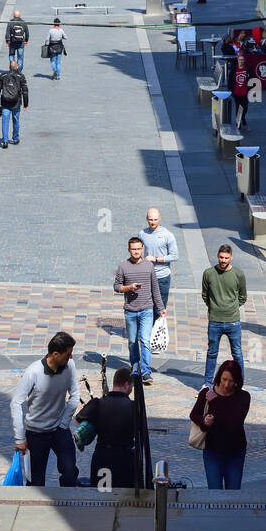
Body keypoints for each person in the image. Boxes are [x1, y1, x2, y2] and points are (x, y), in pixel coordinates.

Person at [11, 332, 79, 486]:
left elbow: (75, 395)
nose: (71, 357)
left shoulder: (70, 366)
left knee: (69, 473)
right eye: (68, 354)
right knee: (36, 482)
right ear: (55, 354)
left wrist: (64, 423)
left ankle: (68, 505)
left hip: (59, 430)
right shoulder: (33, 372)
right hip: (36, 434)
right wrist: (20, 438)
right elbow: (16, 403)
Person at [190, 359, 251, 490]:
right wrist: (204, 422)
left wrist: (215, 401)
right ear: (219, 377)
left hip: (235, 452)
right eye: (224, 379)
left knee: (233, 493)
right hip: (213, 451)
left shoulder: (243, 397)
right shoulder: (206, 393)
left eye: (231, 381)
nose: (226, 384)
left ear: (237, 381)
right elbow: (194, 414)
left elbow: (234, 423)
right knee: (215, 493)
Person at [113, 237, 164, 386]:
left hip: (146, 310)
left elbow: (155, 288)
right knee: (132, 341)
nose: (136, 251)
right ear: (129, 250)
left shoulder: (149, 266)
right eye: (133, 249)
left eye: (138, 249)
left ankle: (146, 371)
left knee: (145, 340)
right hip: (130, 310)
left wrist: (161, 308)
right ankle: (135, 366)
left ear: (142, 249)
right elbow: (116, 286)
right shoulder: (123, 266)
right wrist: (129, 288)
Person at [75, 367, 136, 490]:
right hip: (126, 458)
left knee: (101, 496)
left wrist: (92, 429)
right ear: (126, 384)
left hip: (102, 457)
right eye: (132, 386)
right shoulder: (133, 406)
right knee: (125, 497)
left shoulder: (98, 403)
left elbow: (78, 420)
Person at [201, 244, 247, 386]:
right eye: (221, 257)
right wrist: (215, 307)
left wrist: (231, 308)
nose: (223, 260)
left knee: (237, 354)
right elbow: (205, 295)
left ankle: (239, 384)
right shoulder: (208, 273)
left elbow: (243, 296)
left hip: (233, 321)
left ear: (231, 257)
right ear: (217, 256)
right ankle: (208, 383)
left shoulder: (238, 274)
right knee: (211, 353)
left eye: (226, 258)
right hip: (214, 321)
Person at [141, 206, 178, 309]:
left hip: (162, 276)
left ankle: (159, 324)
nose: (153, 222)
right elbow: (138, 251)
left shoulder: (167, 235)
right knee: (147, 306)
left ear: (159, 219)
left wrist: (157, 259)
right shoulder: (142, 234)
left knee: (160, 307)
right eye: (150, 219)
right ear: (147, 219)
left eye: (155, 220)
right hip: (147, 275)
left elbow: (175, 256)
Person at [0, 59, 28, 148]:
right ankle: (15, 138)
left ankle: (5, 141)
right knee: (16, 120)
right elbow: (25, 91)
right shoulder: (21, 76)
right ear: (17, 67)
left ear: (9, 67)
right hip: (16, 102)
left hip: (5, 102)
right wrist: (26, 104)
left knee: (5, 121)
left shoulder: (3, 75)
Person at [232, 44, 249, 129]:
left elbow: (252, 78)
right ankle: (238, 123)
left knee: (245, 107)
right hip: (236, 92)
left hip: (245, 91)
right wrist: (230, 90)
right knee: (238, 107)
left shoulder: (247, 68)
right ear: (237, 60)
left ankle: (243, 117)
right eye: (239, 60)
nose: (241, 61)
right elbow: (230, 80)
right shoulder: (234, 68)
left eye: (242, 60)